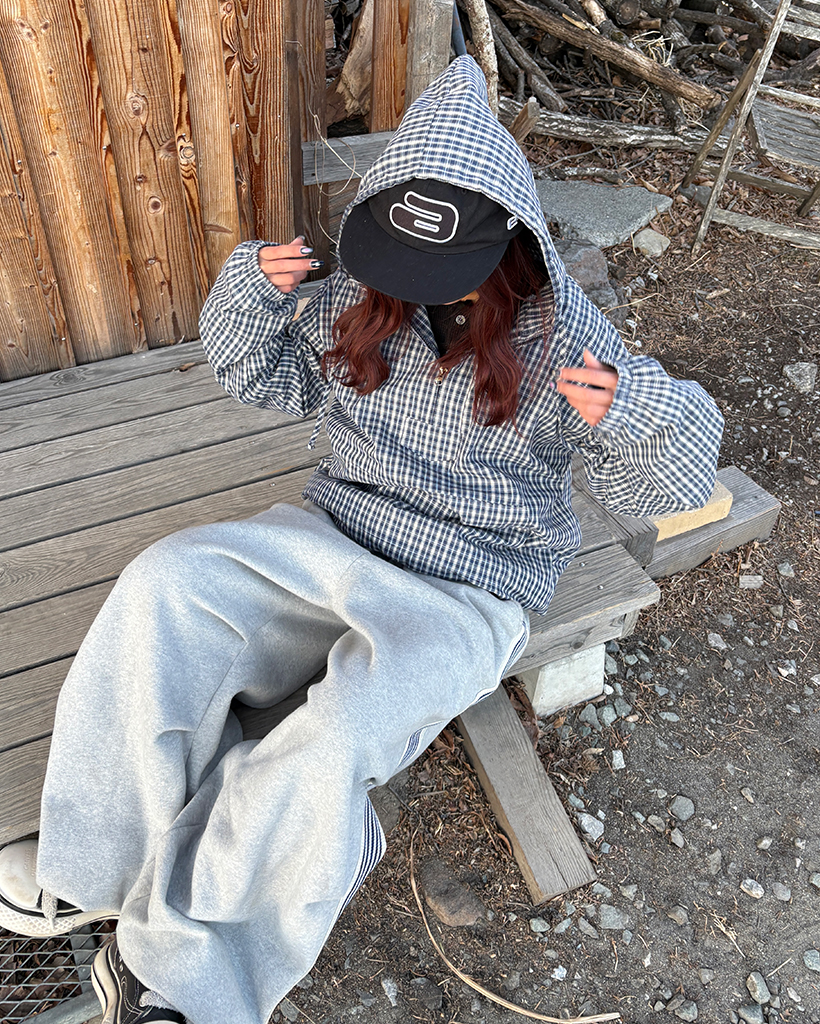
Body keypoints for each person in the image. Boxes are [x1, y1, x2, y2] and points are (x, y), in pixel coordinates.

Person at [0, 56, 722, 1024]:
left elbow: (665, 492)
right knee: (167, 582)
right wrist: (249, 296)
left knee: (335, 734)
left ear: (510, 241)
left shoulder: (565, 336)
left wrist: (642, 413)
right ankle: (98, 866)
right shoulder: (355, 292)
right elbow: (265, 382)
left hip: (473, 585)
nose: (410, 286)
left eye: (438, 268)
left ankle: (185, 979)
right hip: (336, 529)